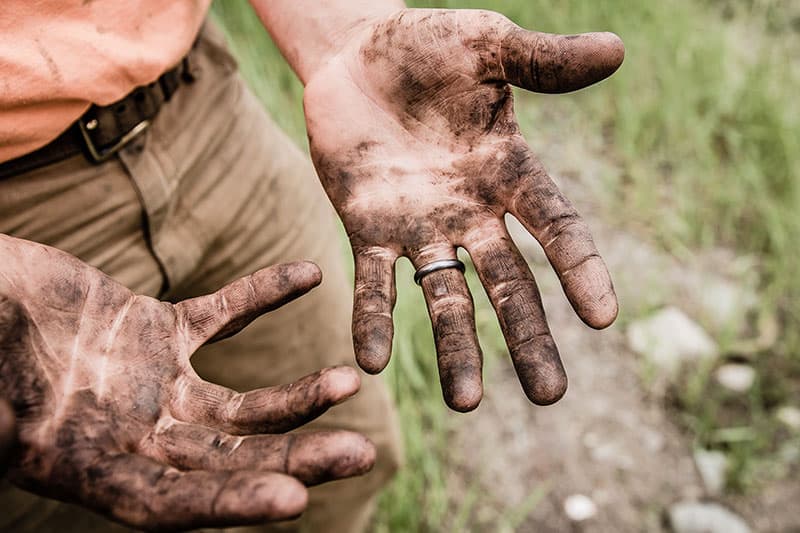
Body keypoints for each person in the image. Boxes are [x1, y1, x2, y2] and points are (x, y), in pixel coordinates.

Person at [0, 0, 624, 531]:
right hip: (16, 214)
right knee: (81, 502)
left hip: (199, 109)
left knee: (339, 466)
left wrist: (344, 32)